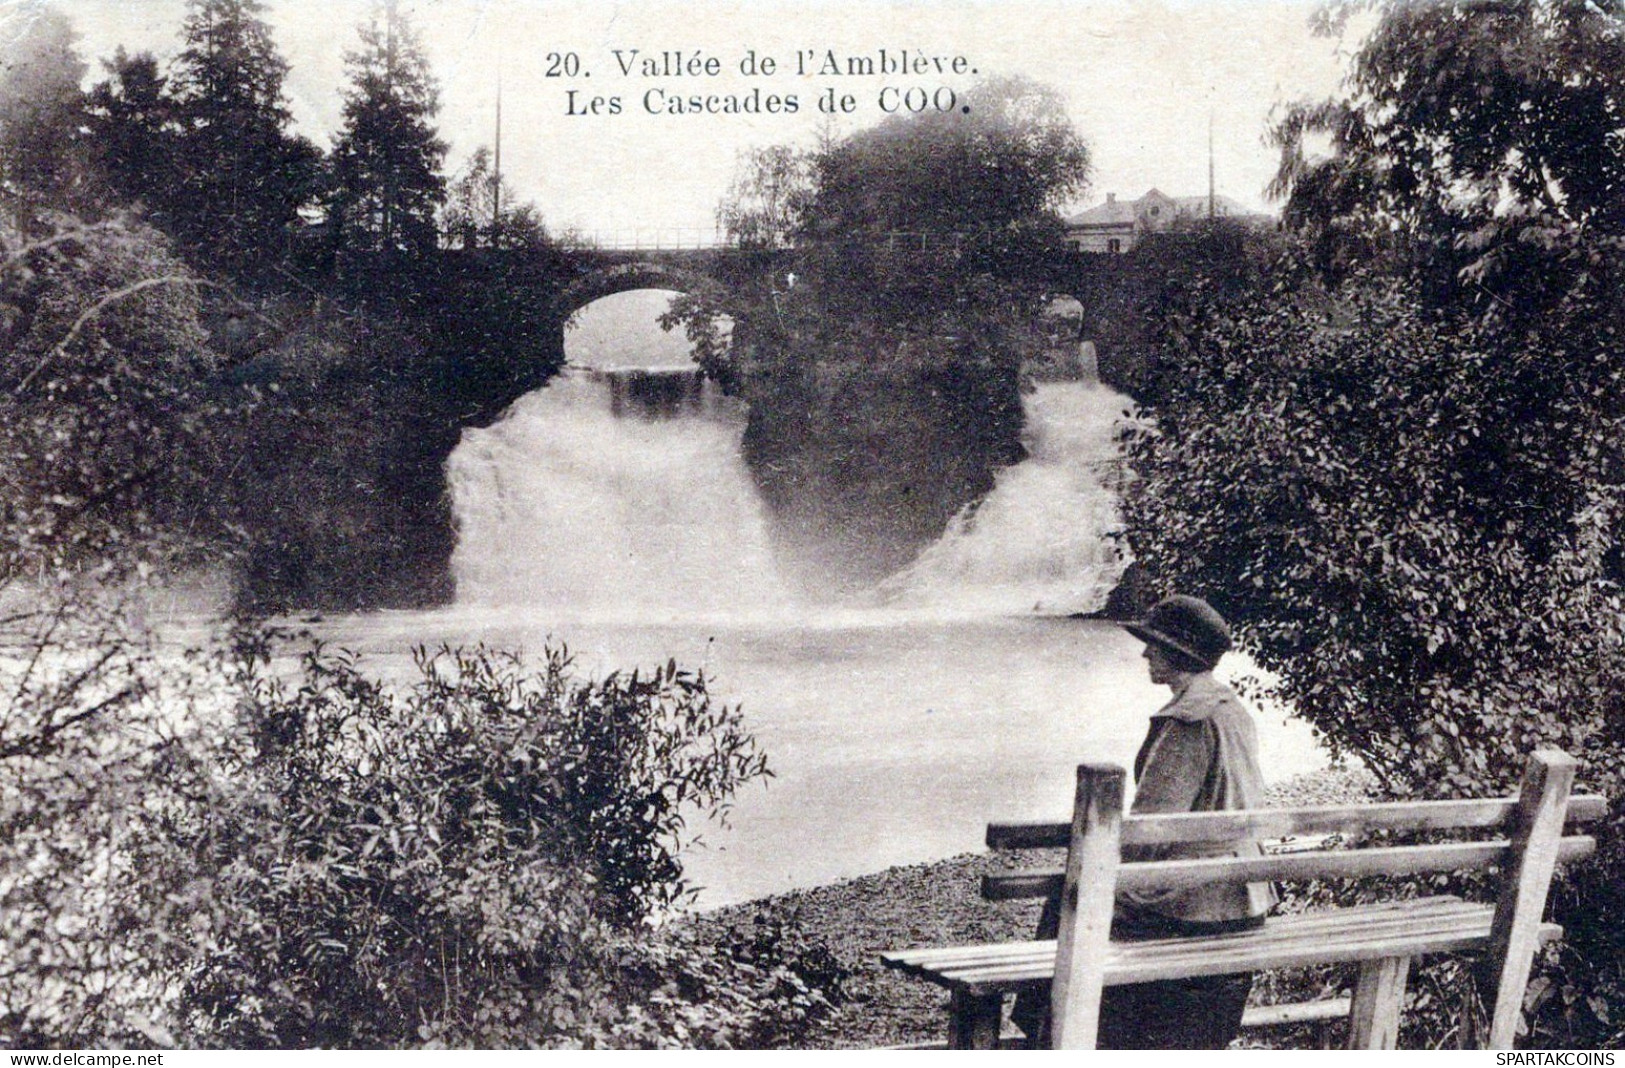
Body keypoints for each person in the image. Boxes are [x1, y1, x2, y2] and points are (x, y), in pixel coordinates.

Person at [1015, 593, 1277, 1049]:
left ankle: (1050, 1038)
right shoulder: (1232, 711)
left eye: (1153, 644)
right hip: (1245, 894)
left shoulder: (1186, 721)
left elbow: (1148, 831)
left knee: (1070, 895)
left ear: (1179, 653)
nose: (1144, 653)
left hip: (1198, 905)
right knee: (1080, 895)